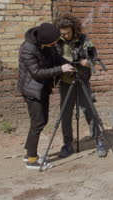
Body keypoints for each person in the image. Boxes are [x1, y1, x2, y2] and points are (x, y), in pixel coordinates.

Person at [19, 22, 75, 169]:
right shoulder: (27, 49)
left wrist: (71, 64)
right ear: (45, 41)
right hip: (32, 90)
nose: (56, 43)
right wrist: (61, 69)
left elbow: (57, 59)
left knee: (41, 121)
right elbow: (36, 73)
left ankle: (30, 153)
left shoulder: (48, 44)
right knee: (38, 123)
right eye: (54, 42)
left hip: (43, 88)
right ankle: (31, 160)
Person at [53, 14, 107, 158]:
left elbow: (93, 56)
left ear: (73, 29)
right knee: (65, 115)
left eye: (68, 32)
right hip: (65, 82)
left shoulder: (83, 39)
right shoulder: (57, 41)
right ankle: (67, 144)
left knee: (90, 111)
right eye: (62, 33)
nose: (66, 35)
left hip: (82, 80)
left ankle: (99, 141)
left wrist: (88, 62)